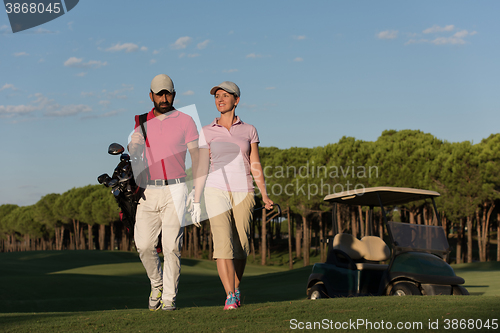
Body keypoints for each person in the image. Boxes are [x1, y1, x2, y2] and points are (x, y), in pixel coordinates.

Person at [191, 81, 273, 310]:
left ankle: (236, 289)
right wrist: (196, 200)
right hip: (215, 190)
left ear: (236, 100)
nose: (220, 99)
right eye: (217, 95)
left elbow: (255, 162)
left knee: (241, 247)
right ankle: (229, 296)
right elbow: (201, 167)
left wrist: (264, 195)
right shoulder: (207, 131)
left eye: (225, 95)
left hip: (244, 191)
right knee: (222, 244)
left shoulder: (249, 130)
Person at [128, 74, 199, 311]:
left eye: (167, 93)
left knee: (171, 247)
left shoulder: (186, 120)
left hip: (177, 188)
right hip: (149, 189)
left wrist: (195, 190)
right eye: (159, 93)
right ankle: (156, 284)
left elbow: (196, 156)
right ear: (151, 96)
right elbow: (135, 151)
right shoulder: (140, 120)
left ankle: (169, 298)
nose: (164, 97)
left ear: (174, 94)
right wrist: (133, 145)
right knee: (144, 245)